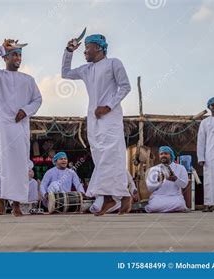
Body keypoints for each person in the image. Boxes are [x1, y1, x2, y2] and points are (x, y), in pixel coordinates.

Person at [61, 33, 131, 215]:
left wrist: (108, 106)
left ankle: (109, 198)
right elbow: (65, 73)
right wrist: (69, 51)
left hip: (111, 117)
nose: (84, 51)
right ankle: (123, 195)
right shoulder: (86, 69)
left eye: (88, 47)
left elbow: (125, 86)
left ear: (99, 47)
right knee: (100, 156)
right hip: (93, 119)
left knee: (111, 155)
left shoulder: (114, 63)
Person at [0, 39, 42, 216]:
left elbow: (37, 100)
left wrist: (25, 110)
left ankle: (16, 204)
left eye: (20, 55)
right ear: (5, 58)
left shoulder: (28, 80)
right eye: (14, 54)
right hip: (0, 128)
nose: (18, 58)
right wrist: (1, 48)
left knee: (19, 165)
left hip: (19, 127)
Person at [145, 146, 189, 213]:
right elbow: (150, 189)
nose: (163, 155)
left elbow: (184, 185)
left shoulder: (180, 168)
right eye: (161, 154)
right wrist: (158, 181)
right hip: (159, 197)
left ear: (171, 155)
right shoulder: (154, 169)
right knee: (153, 207)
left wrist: (175, 179)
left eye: (166, 153)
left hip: (174, 197)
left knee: (180, 205)